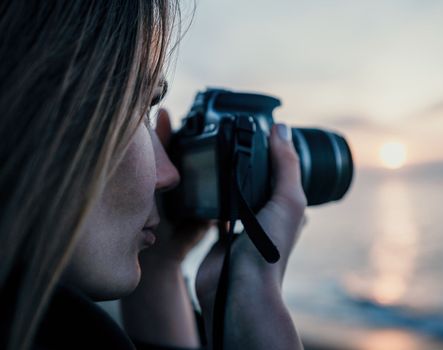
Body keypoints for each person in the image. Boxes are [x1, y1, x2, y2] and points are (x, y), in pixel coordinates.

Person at [0, 1, 306, 350]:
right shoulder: (74, 333)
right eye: (142, 108)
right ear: (39, 112)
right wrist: (259, 313)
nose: (169, 174)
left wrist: (159, 268)